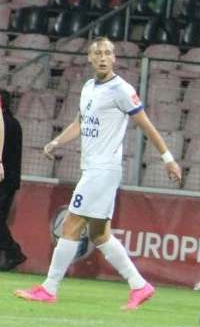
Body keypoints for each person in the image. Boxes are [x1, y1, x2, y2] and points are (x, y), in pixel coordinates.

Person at [15, 38, 183, 307]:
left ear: (114, 58)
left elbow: (145, 124)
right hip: (93, 169)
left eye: (107, 53)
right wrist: (56, 142)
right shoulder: (88, 88)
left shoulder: (122, 90)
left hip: (102, 171)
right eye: (98, 53)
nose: (103, 58)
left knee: (70, 224)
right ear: (90, 59)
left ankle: (49, 288)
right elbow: (80, 123)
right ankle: (139, 285)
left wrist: (168, 159)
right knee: (99, 234)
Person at [0, 90, 25, 271]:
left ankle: (13, 252)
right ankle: (12, 253)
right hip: (11, 179)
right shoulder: (14, 123)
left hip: (4, 179)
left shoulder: (6, 124)